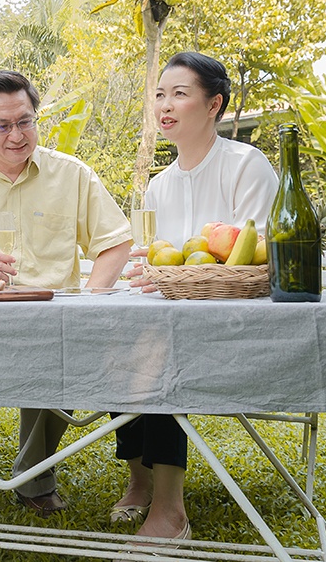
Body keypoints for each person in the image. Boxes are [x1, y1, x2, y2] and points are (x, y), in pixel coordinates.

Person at [0, 70, 133, 516]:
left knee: (58, 348)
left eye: (26, 121)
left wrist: (91, 300)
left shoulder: (72, 175)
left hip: (52, 316)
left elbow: (114, 241)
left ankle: (35, 475)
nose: (16, 135)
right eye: (2, 125)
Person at [115, 52, 279, 541]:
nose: (165, 106)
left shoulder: (246, 165)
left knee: (161, 348)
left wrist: (173, 274)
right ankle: (139, 480)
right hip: (169, 320)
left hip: (236, 325)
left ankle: (170, 508)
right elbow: (150, 261)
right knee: (116, 335)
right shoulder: (158, 185)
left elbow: (254, 255)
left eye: (180, 94)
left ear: (215, 105)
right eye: (160, 95)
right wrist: (143, 272)